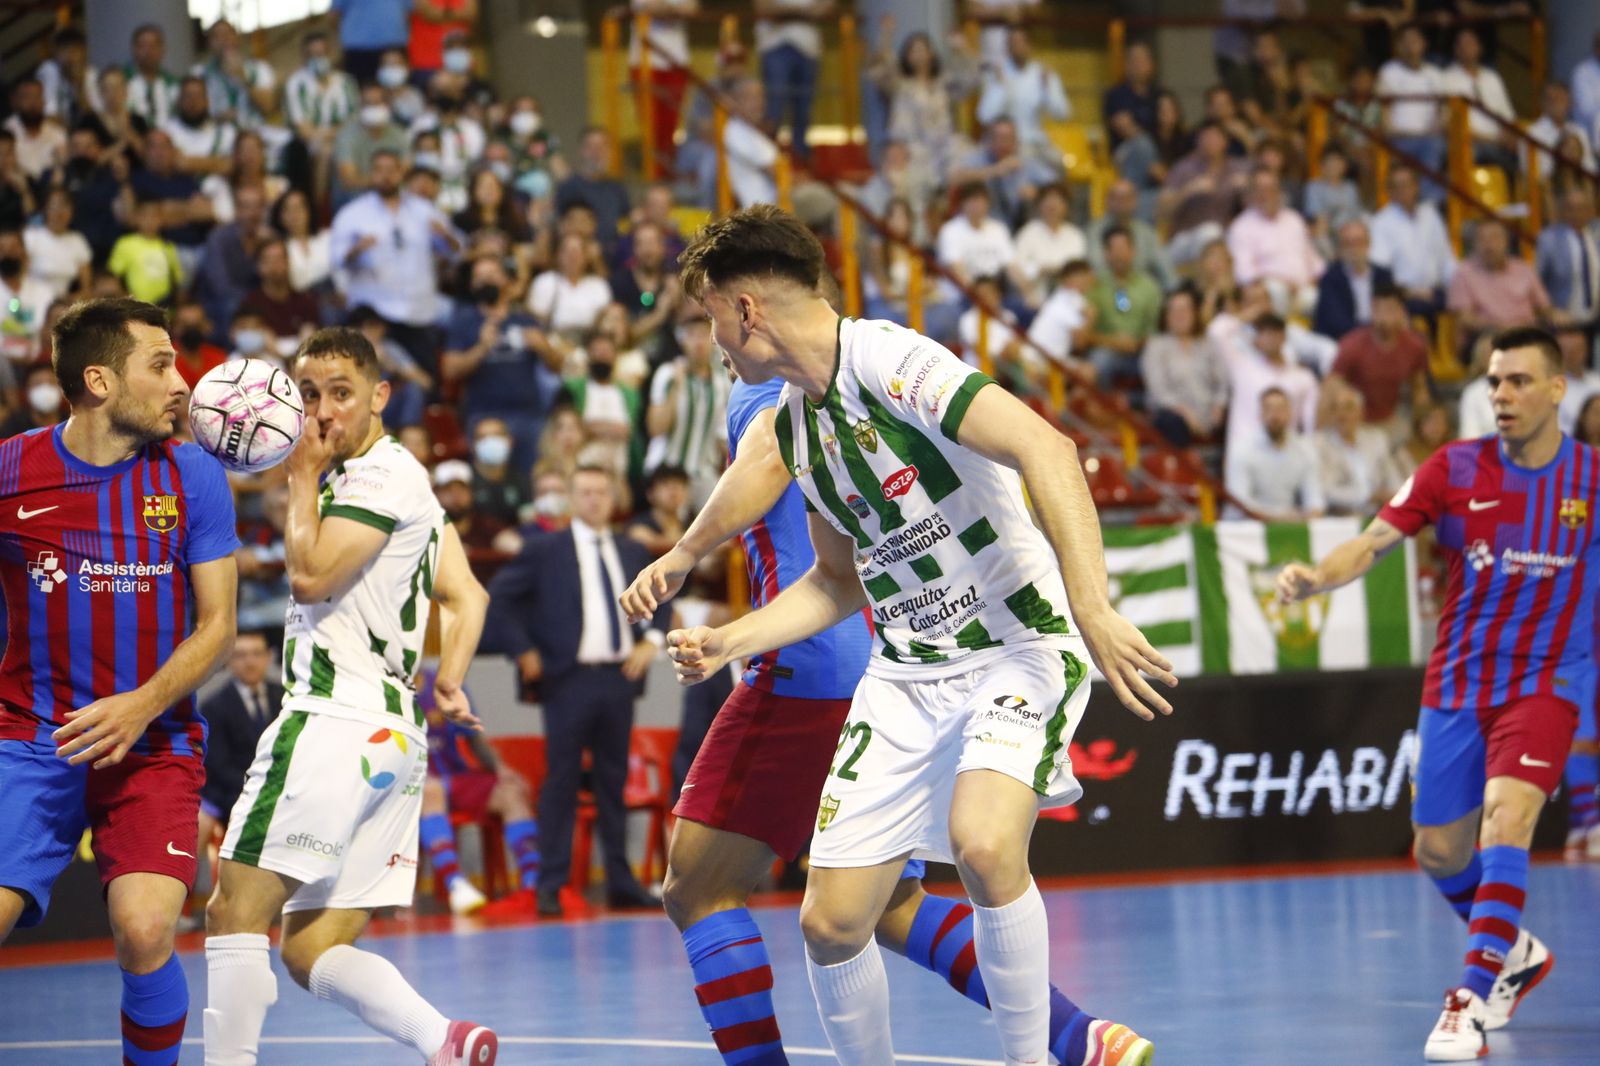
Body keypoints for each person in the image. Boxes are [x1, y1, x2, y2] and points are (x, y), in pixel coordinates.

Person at [662, 204, 1167, 1065]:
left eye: (711, 317)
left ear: (746, 309)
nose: (713, 343)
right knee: (830, 923)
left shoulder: (890, 360)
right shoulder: (792, 423)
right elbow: (834, 579)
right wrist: (733, 640)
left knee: (983, 840)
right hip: (902, 674)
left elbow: (1046, 447)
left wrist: (1092, 603)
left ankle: (1034, 1057)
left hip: (1018, 643)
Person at [1277, 326, 1591, 1060]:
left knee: (1506, 825)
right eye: (1493, 382)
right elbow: (1373, 541)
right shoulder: (1453, 467)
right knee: (1439, 851)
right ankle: (1515, 953)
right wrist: (1319, 576)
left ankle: (1470, 1002)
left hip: (1545, 683)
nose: (1501, 395)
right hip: (1458, 684)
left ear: (1556, 389)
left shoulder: (1592, 480)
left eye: (1517, 381)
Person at [204, 327, 497, 1066]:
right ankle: (447, 1043)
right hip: (393, 742)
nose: (321, 411)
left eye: (340, 393)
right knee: (310, 949)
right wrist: (452, 676)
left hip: (332, 723)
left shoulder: (371, 477)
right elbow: (468, 594)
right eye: (307, 395)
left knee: (234, 909)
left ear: (379, 396)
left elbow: (310, 578)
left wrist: (299, 476)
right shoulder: (410, 481)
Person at [0, 298, 240, 1065]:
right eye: (162, 364)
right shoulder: (10, 471)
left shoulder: (194, 474)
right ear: (98, 381)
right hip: (32, 737)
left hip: (155, 742)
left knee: (143, 931)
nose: (183, 383)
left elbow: (219, 626)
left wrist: (141, 706)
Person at [485, 465, 670, 916]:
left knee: (612, 783)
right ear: (571, 497)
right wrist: (522, 650)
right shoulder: (546, 549)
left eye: (602, 492)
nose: (594, 500)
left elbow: (662, 597)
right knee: (561, 781)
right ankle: (550, 883)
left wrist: (651, 641)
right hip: (566, 679)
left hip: (618, 678)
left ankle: (621, 882)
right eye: (585, 492)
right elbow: (499, 598)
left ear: (614, 497)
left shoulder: (631, 549)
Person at [419, 669, 543, 918]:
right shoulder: (379, 685)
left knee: (510, 792)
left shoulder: (445, 684)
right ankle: (456, 885)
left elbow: (474, 739)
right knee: (430, 790)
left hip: (455, 778)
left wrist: (501, 769)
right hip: (409, 786)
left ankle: (533, 883)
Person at [331, 149, 462, 376]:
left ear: (402, 174)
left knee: (425, 383)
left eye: (392, 170)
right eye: (379, 170)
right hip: (376, 316)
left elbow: (456, 252)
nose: (386, 176)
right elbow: (336, 260)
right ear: (371, 174)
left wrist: (448, 238)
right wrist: (355, 251)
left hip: (418, 312)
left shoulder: (423, 210)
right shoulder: (352, 214)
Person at [196, 631, 282, 906]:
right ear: (229, 661)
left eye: (256, 654)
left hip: (283, 789)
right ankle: (186, 907)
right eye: (241, 655)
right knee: (197, 824)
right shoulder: (213, 705)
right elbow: (217, 765)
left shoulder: (286, 699)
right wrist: (257, 792)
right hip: (227, 794)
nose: (250, 662)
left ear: (268, 658)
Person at [645, 316, 730, 504]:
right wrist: (676, 387)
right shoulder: (667, 374)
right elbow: (656, 428)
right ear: (682, 340)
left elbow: (722, 434)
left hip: (704, 471)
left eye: (703, 335)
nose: (698, 342)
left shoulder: (723, 381)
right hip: (667, 469)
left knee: (723, 516)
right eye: (691, 335)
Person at [1330, 283, 1431, 441]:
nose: (1383, 316)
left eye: (1390, 309)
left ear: (1401, 312)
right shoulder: (1351, 345)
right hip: (1356, 424)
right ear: (1371, 310)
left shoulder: (1415, 346)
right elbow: (1332, 387)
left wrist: (1424, 418)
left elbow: (1419, 386)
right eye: (1378, 309)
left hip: (1391, 421)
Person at [1225, 165, 1323, 320]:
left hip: (1303, 290)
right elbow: (1245, 274)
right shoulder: (1241, 226)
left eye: (1272, 189)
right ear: (1251, 193)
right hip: (1267, 292)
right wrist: (1282, 282)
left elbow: (1313, 260)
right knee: (1276, 291)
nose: (1267, 194)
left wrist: (1313, 281)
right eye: (1261, 189)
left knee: (1326, 297)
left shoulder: (1294, 219)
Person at [1448, 219, 1557, 357]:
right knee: (1490, 346)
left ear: (1506, 242)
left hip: (1527, 332)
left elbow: (1545, 308)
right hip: (1486, 335)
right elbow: (1464, 318)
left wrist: (1558, 316)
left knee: (1568, 338)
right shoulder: (1463, 273)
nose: (1488, 245)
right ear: (1474, 244)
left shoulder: (1523, 269)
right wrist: (1500, 328)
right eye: (1482, 239)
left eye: (1494, 238)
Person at [1143, 287, 1228, 446]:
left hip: (1209, 411)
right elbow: (1159, 391)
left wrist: (1219, 406)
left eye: (1184, 310)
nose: (1179, 315)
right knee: (1174, 422)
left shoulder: (1207, 344)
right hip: (1175, 413)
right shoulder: (1156, 346)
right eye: (1174, 311)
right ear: (1166, 316)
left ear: (1194, 313)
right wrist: (1187, 415)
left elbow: (1222, 381)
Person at [1225, 386, 1326, 521]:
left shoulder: (1305, 449)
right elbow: (1240, 502)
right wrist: (1281, 517)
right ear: (1259, 414)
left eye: (1280, 409)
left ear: (1290, 413)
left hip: (1288, 525)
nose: (1274, 416)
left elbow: (1314, 497)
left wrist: (1312, 513)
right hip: (1245, 528)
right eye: (1268, 409)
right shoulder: (1241, 449)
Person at [1370, 166, 1456, 324]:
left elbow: (1448, 260)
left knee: (1465, 301)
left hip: (1437, 292)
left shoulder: (1431, 215)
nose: (1402, 191)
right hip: (1405, 296)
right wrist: (1411, 293)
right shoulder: (1381, 222)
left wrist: (1455, 288)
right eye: (1396, 186)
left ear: (1416, 186)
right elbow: (1382, 273)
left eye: (1406, 184)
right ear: (1390, 191)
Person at [976, 27, 1070, 162]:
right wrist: (1000, 87)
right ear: (1008, 47)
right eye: (1014, 43)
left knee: (1058, 163)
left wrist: (1048, 89)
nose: (1018, 47)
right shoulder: (997, 74)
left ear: (1030, 46)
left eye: (1022, 42)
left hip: (1033, 142)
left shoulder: (1042, 74)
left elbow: (1063, 115)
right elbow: (984, 116)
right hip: (1002, 145)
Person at [754, 0, 832, 163]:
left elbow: (825, 8)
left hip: (809, 49)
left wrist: (784, 12)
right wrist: (804, 12)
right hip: (774, 46)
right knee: (774, 108)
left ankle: (801, 159)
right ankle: (767, 159)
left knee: (804, 110)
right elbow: (762, 7)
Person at [1315, 381, 1399, 516]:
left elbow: (1393, 478)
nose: (1342, 414)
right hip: (1341, 518)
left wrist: (1396, 497)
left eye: (1348, 408)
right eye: (1335, 408)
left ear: (1360, 412)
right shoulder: (1319, 444)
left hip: (1380, 514)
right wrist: (1367, 496)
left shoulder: (1377, 439)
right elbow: (1325, 490)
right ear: (1330, 414)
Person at [1313, 220, 1395, 343]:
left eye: (1358, 242)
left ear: (1368, 244)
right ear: (1340, 248)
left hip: (1380, 338)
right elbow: (1338, 323)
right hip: (1344, 341)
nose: (1354, 249)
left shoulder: (1383, 275)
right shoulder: (1330, 279)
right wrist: (1375, 332)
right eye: (1348, 244)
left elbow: (1394, 311)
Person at [1535, 186, 1600, 325]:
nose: (1576, 213)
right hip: (1563, 319)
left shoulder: (1597, 233)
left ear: (1590, 211)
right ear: (1562, 211)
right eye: (1571, 207)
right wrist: (1550, 311)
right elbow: (1537, 280)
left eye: (1581, 207)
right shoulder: (1549, 238)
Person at [24, 187, 93, 300]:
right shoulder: (30, 237)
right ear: (45, 209)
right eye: (54, 206)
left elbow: (87, 288)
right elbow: (20, 277)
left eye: (64, 206)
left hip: (63, 303)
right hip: (32, 300)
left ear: (72, 211)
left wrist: (68, 302)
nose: (59, 212)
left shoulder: (78, 240)